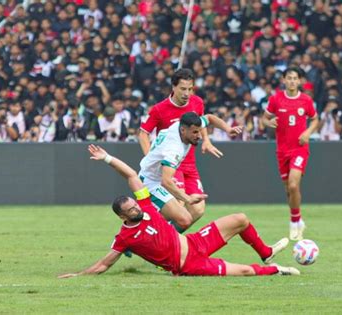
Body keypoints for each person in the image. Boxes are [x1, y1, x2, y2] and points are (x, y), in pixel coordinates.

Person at [58, 144, 297, 278]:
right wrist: (78, 276)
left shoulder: (146, 206)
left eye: (134, 204)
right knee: (244, 271)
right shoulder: (125, 237)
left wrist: (107, 158)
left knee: (240, 219)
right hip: (188, 265)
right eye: (131, 210)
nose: (136, 209)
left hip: (194, 243)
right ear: (122, 217)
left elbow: (131, 175)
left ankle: (265, 252)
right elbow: (103, 265)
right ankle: (277, 270)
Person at [138, 69, 222, 226]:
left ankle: (159, 238)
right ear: (173, 87)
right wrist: (150, 157)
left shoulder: (197, 102)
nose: (187, 93)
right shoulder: (159, 109)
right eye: (183, 89)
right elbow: (143, 134)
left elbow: (200, 123)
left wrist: (206, 140)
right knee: (179, 205)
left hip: (190, 163)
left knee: (197, 210)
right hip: (171, 164)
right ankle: (155, 240)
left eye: (190, 89)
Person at [139, 112, 242, 232]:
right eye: (195, 132)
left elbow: (209, 118)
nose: (199, 136)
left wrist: (228, 129)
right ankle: (137, 235)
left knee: (182, 217)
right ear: (183, 130)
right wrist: (188, 199)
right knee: (182, 218)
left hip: (157, 175)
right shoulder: (174, 149)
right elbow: (166, 182)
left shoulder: (182, 125)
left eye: (199, 131)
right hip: (150, 182)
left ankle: (152, 238)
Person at [262, 67, 319, 241]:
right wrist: (269, 122)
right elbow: (264, 118)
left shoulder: (306, 100)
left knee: (294, 185)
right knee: (289, 190)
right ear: (284, 80)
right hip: (282, 150)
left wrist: (307, 133)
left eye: (295, 78)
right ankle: (298, 218)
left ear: (300, 81)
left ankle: (294, 222)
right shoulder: (276, 99)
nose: (292, 81)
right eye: (289, 78)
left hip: (300, 148)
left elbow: (315, 119)